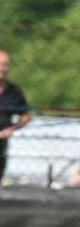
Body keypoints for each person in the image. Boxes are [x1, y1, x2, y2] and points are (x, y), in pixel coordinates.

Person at [0, 50, 31, 185]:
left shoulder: (14, 91)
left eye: (5, 65)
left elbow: (26, 115)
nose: (2, 68)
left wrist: (12, 129)